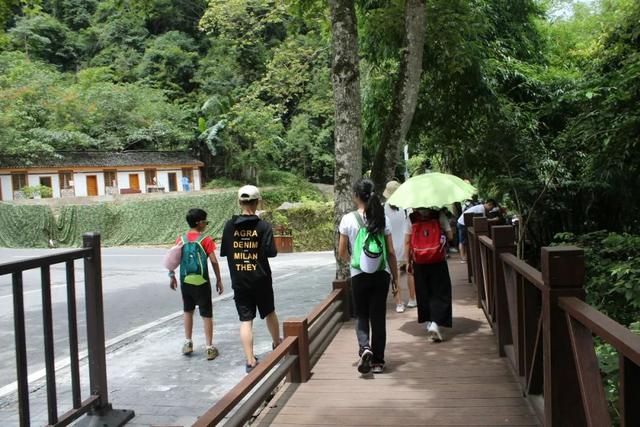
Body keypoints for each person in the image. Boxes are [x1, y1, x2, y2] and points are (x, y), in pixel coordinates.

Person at [339, 178, 399, 374]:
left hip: (358, 275)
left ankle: (365, 347)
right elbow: (390, 252)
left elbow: (342, 252)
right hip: (381, 273)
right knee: (378, 317)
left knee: (362, 314)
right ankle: (378, 362)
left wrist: (354, 261)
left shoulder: (348, 219)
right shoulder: (383, 219)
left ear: (356, 196)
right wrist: (396, 278)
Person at [220, 185, 281, 373]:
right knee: (269, 312)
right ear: (257, 202)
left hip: (239, 280)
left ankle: (250, 360)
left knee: (246, 320)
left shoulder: (230, 226)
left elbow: (224, 252)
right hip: (261, 279)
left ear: (239, 202)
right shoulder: (263, 226)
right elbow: (272, 253)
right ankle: (277, 344)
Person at [169, 208, 224, 360]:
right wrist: (219, 279)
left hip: (186, 281)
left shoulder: (181, 239)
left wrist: (172, 276)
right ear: (199, 223)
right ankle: (209, 347)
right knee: (206, 313)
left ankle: (188, 343)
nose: (206, 224)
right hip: (202, 282)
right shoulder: (206, 240)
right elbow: (213, 260)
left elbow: (172, 260)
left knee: (188, 310)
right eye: (205, 221)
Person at [405, 208, 454, 342]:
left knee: (424, 291)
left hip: (419, 260)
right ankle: (436, 322)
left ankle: (430, 320)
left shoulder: (411, 218)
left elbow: (407, 242)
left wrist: (407, 261)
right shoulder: (439, 215)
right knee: (440, 290)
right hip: (438, 259)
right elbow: (450, 236)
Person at [383, 180, 417, 313]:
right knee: (410, 273)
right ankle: (412, 299)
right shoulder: (407, 208)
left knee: (394, 276)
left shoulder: (382, 208)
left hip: (391, 247)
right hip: (406, 246)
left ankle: (399, 303)